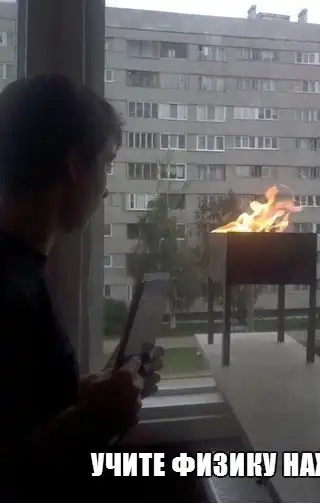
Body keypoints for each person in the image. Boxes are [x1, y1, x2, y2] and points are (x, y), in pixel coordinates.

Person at [0, 74, 164, 498]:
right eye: (106, 164)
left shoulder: (25, 269)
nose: (106, 188)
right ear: (74, 164)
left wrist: (87, 391)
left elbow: (17, 406)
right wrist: (93, 420)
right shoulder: (9, 289)